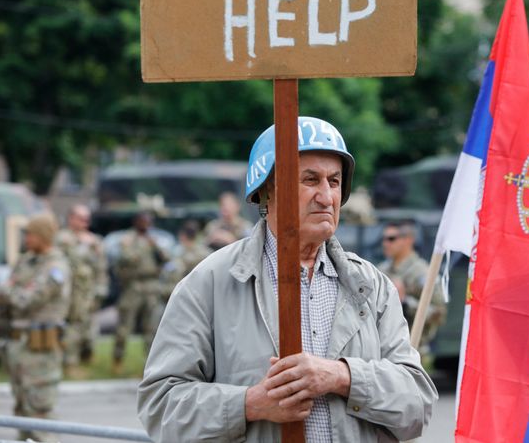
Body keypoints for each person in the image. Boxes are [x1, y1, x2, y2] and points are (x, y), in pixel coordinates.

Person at [138, 116, 437, 442]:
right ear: (268, 189)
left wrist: (341, 376)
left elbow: (417, 406)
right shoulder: (209, 284)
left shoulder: (371, 287)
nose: (326, 197)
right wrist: (249, 404)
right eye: (311, 180)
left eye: (335, 182)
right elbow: (161, 407)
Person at [0, 213, 71, 442]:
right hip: (18, 345)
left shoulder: (56, 266)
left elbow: (26, 300)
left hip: (41, 350)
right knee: (20, 407)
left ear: (42, 236)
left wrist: (9, 291)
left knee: (40, 410)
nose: (26, 238)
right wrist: (10, 292)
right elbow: (7, 293)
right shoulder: (26, 260)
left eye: (30, 234)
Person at [377, 220, 446, 356]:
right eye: (384, 239)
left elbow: (439, 314)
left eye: (391, 239)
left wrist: (405, 301)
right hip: (382, 348)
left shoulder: (423, 273)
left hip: (414, 349)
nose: (386, 244)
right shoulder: (381, 271)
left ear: (408, 240)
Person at [112, 211, 169, 373]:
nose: (146, 225)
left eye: (149, 222)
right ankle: (118, 358)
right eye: (143, 221)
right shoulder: (128, 239)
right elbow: (124, 259)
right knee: (125, 325)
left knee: (151, 327)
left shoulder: (154, 240)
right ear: (136, 222)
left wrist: (154, 247)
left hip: (151, 285)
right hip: (133, 285)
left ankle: (150, 365)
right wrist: (136, 250)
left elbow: (165, 259)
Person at [56, 204, 108, 377]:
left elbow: (101, 267)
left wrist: (101, 288)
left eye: (87, 219)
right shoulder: (63, 239)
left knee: (88, 325)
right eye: (81, 218)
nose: (85, 222)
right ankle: (70, 362)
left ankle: (85, 355)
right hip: (71, 290)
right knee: (73, 325)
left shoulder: (94, 240)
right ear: (71, 218)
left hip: (89, 290)